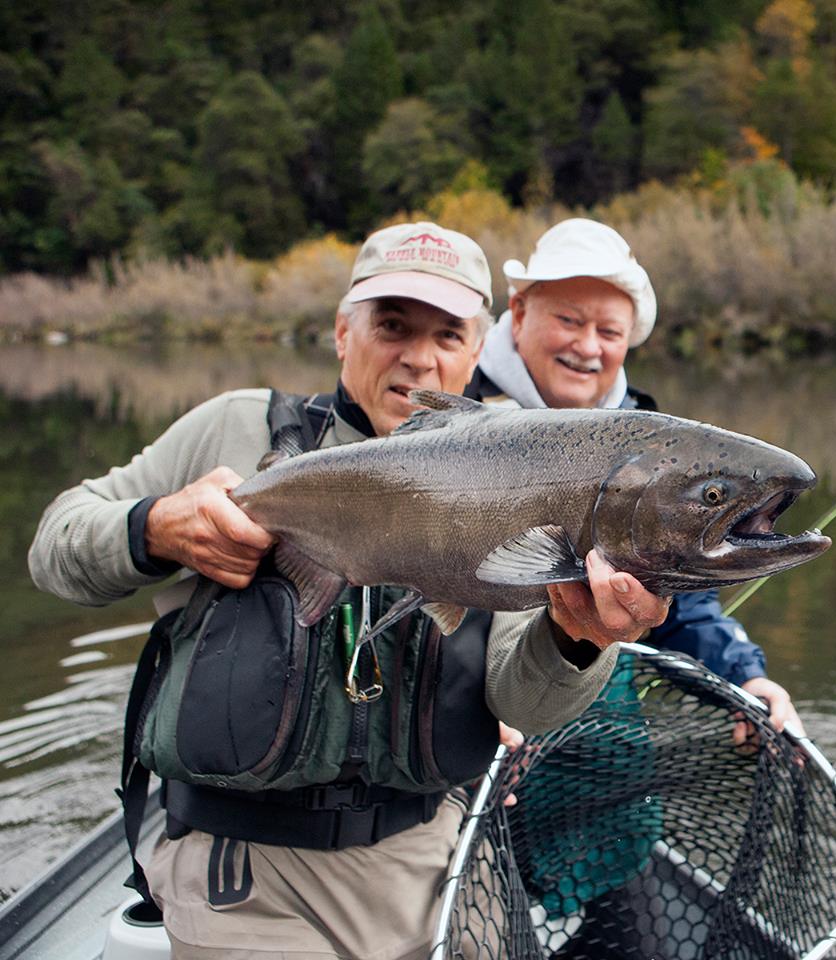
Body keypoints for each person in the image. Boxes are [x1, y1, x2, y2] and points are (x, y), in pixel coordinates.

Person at [28, 220, 670, 960]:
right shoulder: (233, 427)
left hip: (439, 861)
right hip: (248, 877)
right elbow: (56, 547)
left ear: (478, 347)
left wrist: (580, 636)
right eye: (392, 325)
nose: (418, 358)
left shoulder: (521, 464)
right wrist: (152, 528)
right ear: (343, 330)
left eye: (448, 334)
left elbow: (525, 703)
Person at [466, 218, 805, 957]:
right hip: (464, 741)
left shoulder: (654, 443)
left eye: (608, 330)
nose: (589, 346)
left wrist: (746, 676)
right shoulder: (447, 406)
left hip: (593, 742)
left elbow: (688, 595)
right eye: (569, 319)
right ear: (517, 313)